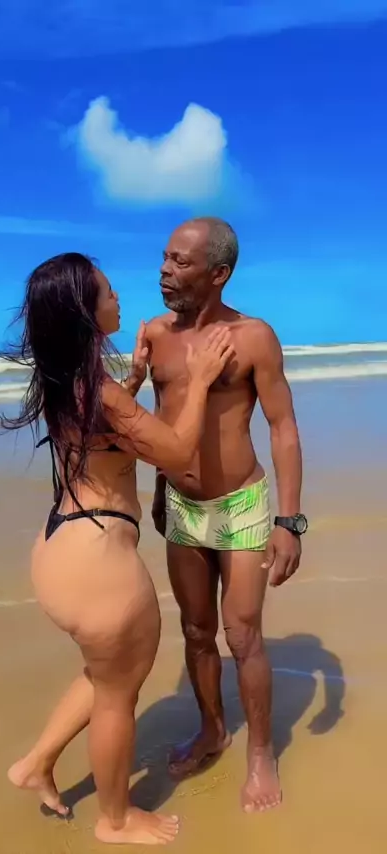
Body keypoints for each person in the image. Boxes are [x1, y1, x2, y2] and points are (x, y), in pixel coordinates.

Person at [0, 252, 234, 845]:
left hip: (59, 549)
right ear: (85, 311)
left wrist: (133, 382)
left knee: (102, 676)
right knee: (117, 698)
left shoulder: (66, 383)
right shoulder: (99, 393)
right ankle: (115, 818)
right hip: (99, 567)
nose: (118, 297)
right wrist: (200, 379)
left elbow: (108, 437)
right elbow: (176, 453)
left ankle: (35, 765)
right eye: (107, 292)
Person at [146, 217, 306, 813]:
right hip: (182, 507)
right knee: (195, 629)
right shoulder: (156, 333)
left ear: (218, 273)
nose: (165, 271)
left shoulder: (253, 337)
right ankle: (212, 729)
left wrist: (289, 522)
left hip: (240, 505)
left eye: (180, 262)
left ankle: (261, 754)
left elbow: (283, 428)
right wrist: (160, 489)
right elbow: (163, 421)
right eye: (165, 257)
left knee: (242, 634)